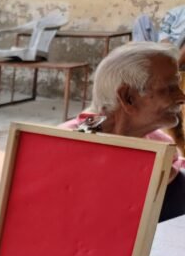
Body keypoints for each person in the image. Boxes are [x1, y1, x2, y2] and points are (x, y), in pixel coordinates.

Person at [61, 41, 185, 222]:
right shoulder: (67, 145)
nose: (182, 97)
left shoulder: (161, 144)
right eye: (169, 89)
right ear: (128, 97)